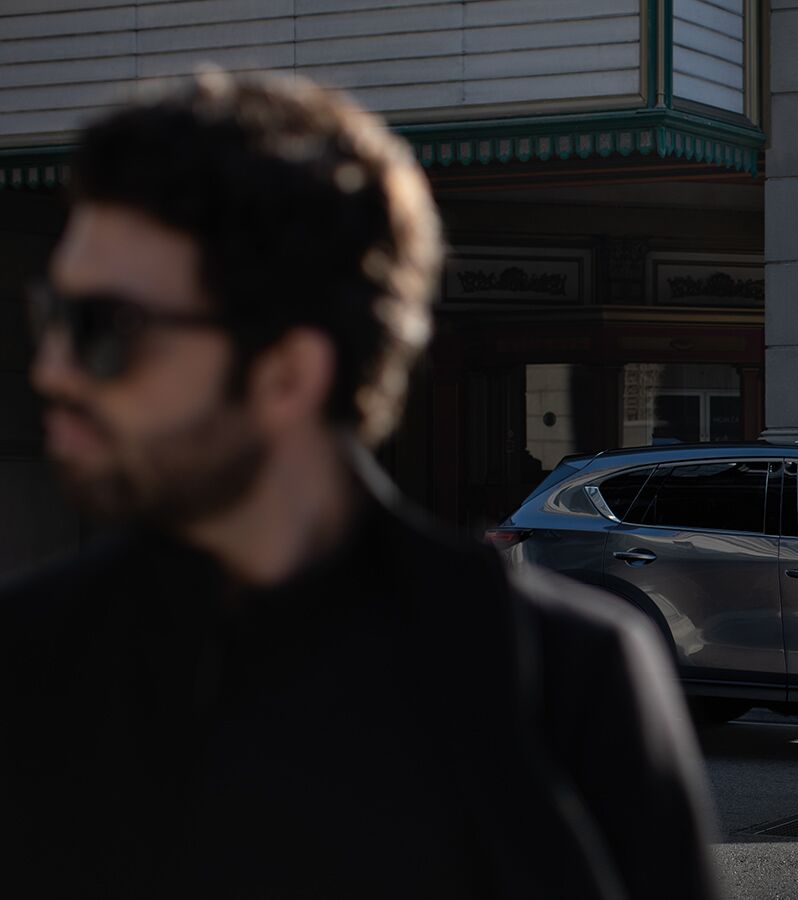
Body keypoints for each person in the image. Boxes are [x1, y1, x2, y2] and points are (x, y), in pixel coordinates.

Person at [0, 72, 719, 899]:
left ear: (286, 374)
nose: (51, 370)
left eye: (101, 330)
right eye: (49, 313)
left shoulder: (567, 679)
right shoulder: (28, 667)